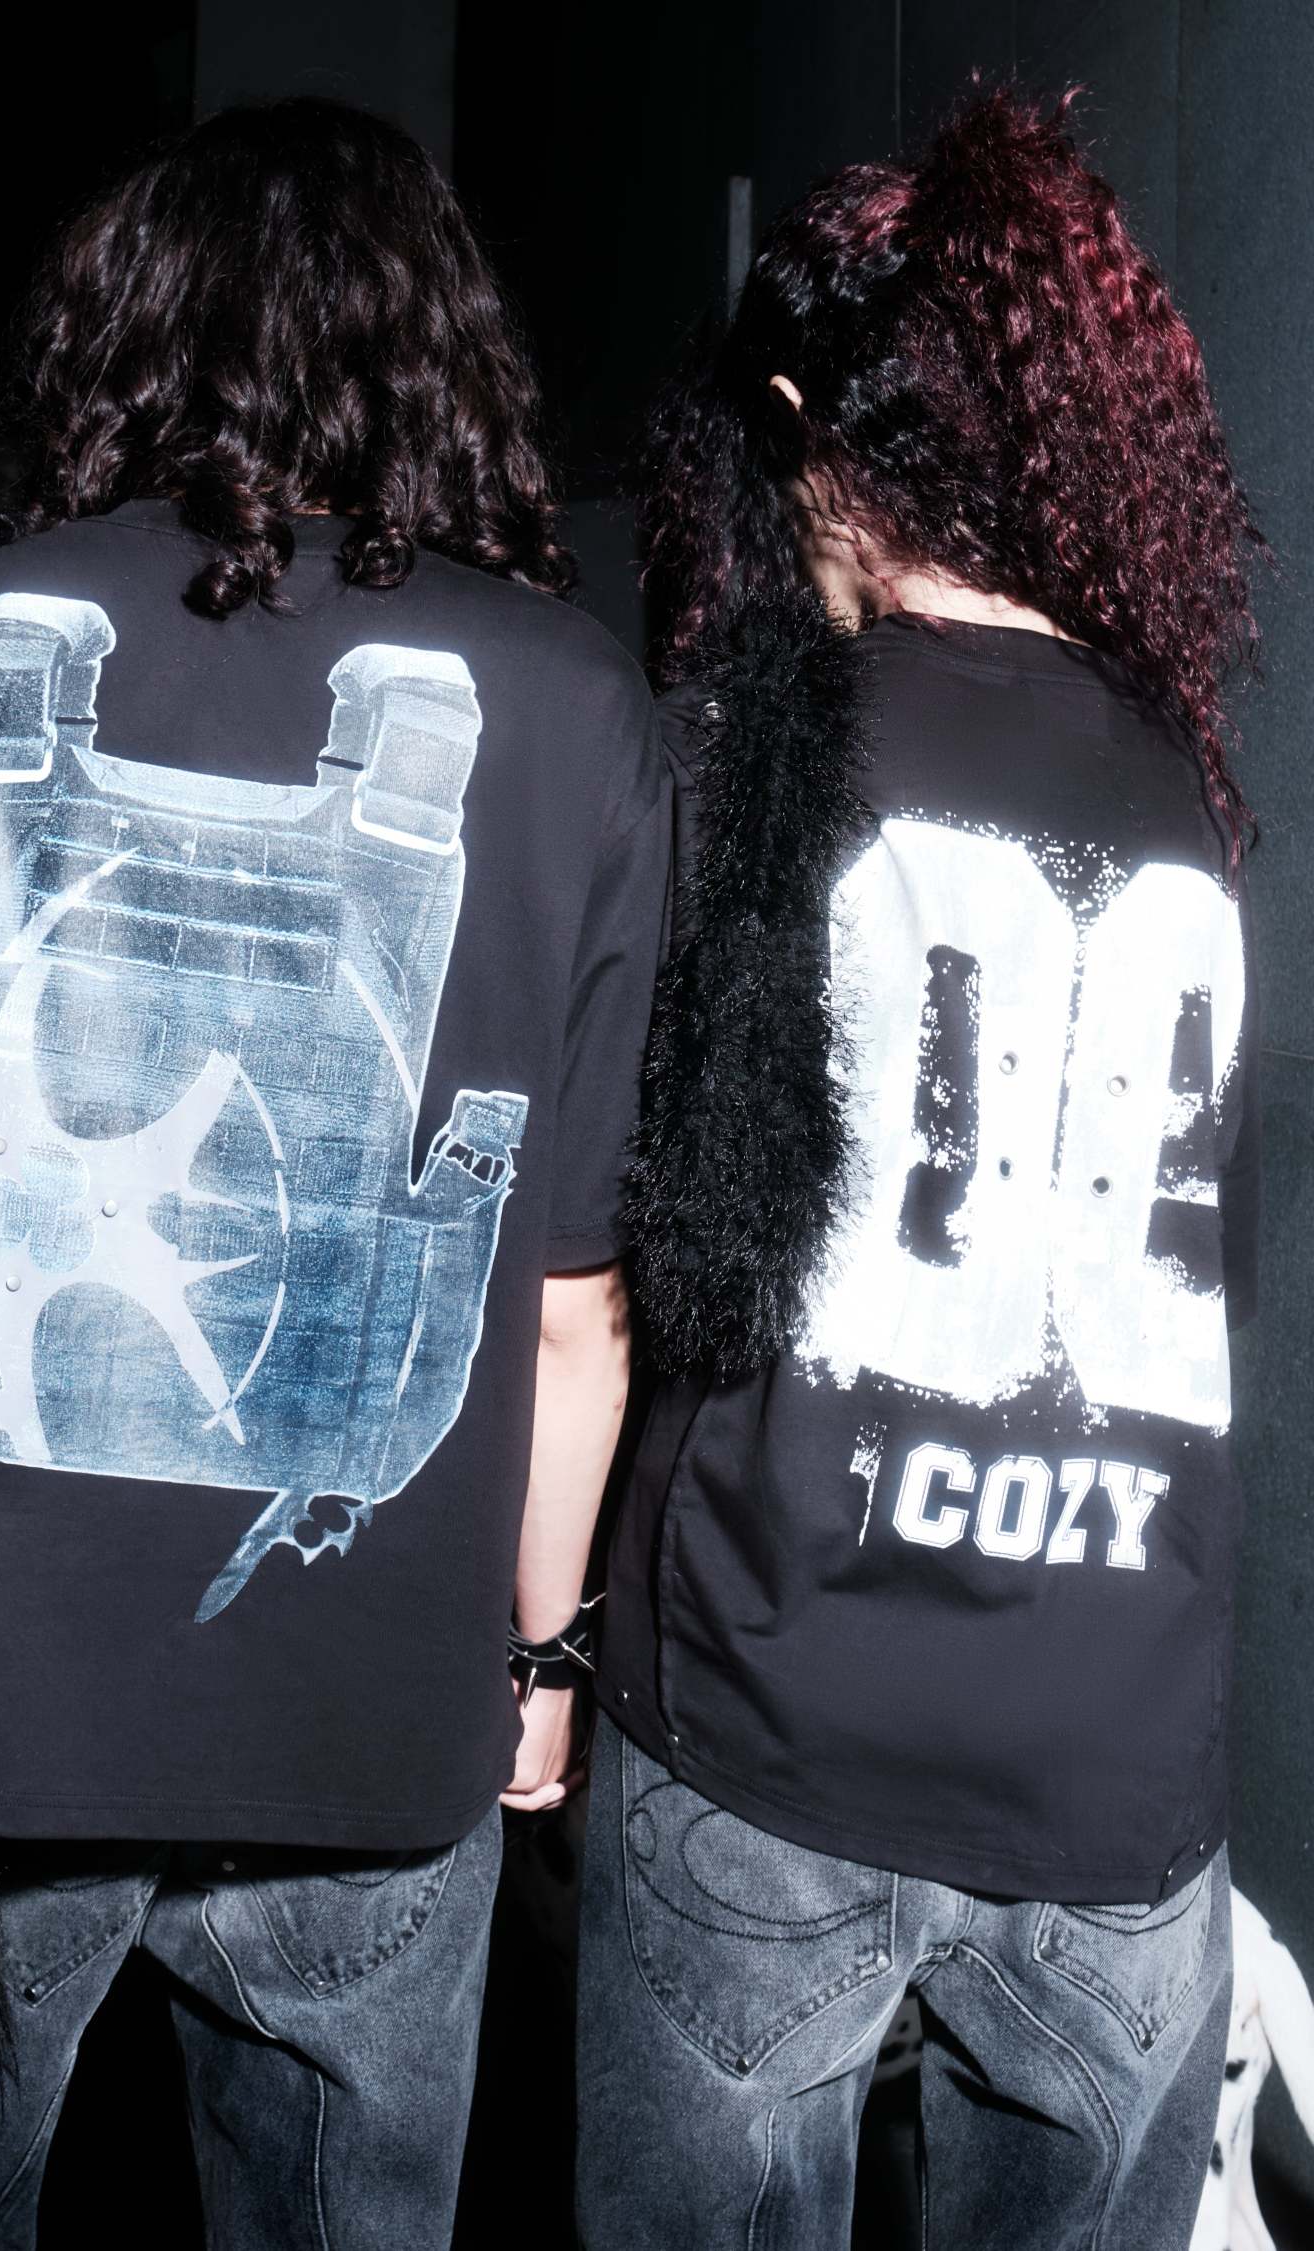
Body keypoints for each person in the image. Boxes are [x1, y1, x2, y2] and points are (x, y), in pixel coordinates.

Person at [0, 100, 668, 2251]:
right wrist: (540, 1662)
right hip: (375, 1738)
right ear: (442, 355)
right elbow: (570, 1313)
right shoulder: (565, 698)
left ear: (123, 335)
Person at [577, 88, 1266, 2250]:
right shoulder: (1196, 795)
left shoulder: (739, 752)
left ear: (808, 431)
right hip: (1114, 1781)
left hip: (771, 1735)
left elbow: (615, 1265)